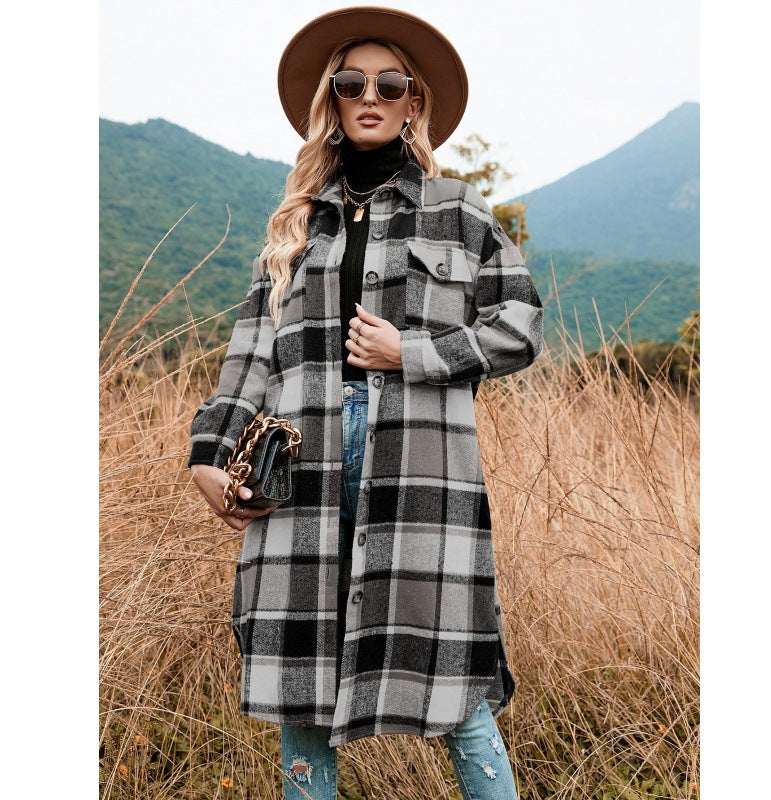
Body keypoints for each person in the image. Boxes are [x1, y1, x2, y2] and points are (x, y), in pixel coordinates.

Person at [188, 6, 544, 798]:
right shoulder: (295, 226)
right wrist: (209, 454)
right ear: (333, 99)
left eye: (391, 84)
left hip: (419, 471)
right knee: (301, 696)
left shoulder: (457, 209)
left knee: (455, 688)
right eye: (352, 83)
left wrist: (409, 352)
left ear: (415, 100)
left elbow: (520, 325)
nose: (370, 96)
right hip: (299, 472)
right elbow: (249, 354)